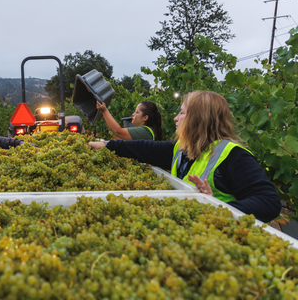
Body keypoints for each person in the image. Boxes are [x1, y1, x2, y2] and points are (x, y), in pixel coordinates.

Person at [88, 90, 282, 223]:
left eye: (181, 113)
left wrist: (219, 207)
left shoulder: (233, 156)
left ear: (198, 119)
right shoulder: (181, 149)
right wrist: (107, 145)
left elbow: (269, 201)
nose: (175, 118)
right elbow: (144, 148)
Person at [96, 101, 163, 140]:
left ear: (145, 118)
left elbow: (118, 132)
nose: (133, 114)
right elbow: (117, 136)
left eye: (136, 112)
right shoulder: (146, 131)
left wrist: (105, 111)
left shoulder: (145, 131)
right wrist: (105, 117)